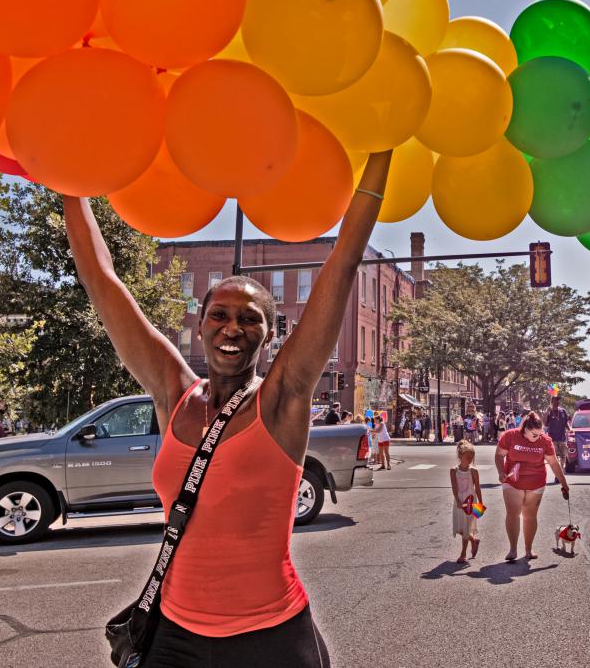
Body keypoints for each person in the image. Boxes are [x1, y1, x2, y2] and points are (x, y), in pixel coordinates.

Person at [64, 151, 392, 667]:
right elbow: (102, 282)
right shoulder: (175, 393)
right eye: (219, 314)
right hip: (172, 636)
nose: (232, 327)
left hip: (271, 639)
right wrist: (69, 180)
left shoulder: (281, 400)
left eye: (250, 318)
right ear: (201, 325)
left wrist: (383, 146)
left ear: (270, 332)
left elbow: (344, 260)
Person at [494, 411, 570, 562]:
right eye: (534, 435)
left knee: (530, 516)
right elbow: (499, 455)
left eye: (540, 433)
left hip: (536, 482)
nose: (537, 438)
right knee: (513, 514)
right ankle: (513, 549)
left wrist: (564, 483)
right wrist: (501, 472)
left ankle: (528, 549)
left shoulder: (545, 441)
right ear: (525, 430)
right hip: (513, 481)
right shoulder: (510, 436)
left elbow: (554, 463)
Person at [450, 440, 483, 564]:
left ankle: (463, 554)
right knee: (459, 529)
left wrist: (480, 503)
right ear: (460, 456)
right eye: (467, 457)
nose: (470, 459)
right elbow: (454, 487)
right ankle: (474, 540)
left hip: (471, 501)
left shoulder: (474, 471)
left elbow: (478, 488)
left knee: (466, 527)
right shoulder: (453, 470)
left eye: (472, 457)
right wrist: (458, 500)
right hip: (459, 501)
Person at [544, 397, 570, 468]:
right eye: (556, 400)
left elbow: (566, 423)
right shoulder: (549, 411)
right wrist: (547, 412)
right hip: (553, 438)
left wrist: (570, 429)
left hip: (562, 437)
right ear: (552, 401)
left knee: (563, 455)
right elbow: (544, 423)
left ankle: (561, 469)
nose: (558, 402)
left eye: (559, 400)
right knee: (554, 456)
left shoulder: (563, 411)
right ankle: (557, 471)